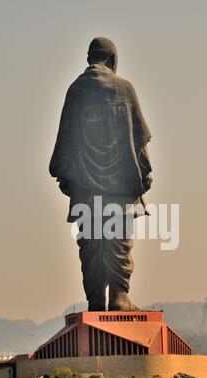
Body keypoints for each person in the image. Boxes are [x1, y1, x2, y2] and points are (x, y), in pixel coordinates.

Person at [49, 37, 152, 311]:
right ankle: (119, 296)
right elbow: (138, 140)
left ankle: (96, 300)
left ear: (89, 58)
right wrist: (145, 172)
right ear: (113, 59)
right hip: (121, 189)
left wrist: (65, 177)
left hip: (85, 188)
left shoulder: (75, 90)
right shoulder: (124, 88)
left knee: (91, 245)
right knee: (119, 241)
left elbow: (65, 141)